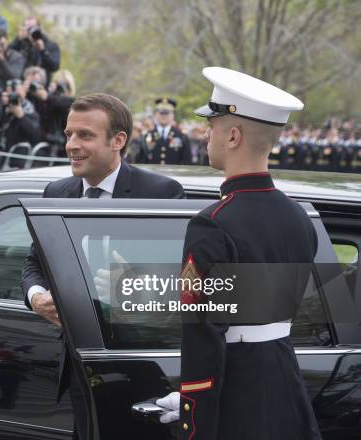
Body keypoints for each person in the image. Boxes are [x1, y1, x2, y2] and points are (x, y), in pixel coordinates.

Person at [156, 67, 321, 440]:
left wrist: (192, 418)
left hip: (236, 398)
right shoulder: (299, 217)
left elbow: (203, 339)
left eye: (211, 125)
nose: (205, 133)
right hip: (285, 385)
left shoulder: (212, 224)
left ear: (232, 135)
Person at [21, 93, 185, 440]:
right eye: (68, 134)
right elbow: (34, 263)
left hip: (141, 373)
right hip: (78, 367)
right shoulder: (56, 192)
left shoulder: (160, 194)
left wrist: (132, 286)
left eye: (85, 135)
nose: (71, 145)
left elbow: (179, 286)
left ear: (118, 141)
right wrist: (36, 296)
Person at [10, 16, 61, 85]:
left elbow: (55, 67)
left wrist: (43, 51)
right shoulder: (22, 43)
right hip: (23, 85)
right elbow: (8, 54)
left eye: (33, 27)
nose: (31, 31)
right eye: (28, 28)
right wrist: (18, 39)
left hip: (42, 87)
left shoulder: (50, 45)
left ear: (39, 28)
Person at [141, 97, 191, 164]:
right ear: (156, 114)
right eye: (161, 113)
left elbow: (186, 160)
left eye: (167, 113)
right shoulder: (147, 135)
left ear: (173, 115)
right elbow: (141, 160)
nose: (163, 116)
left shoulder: (181, 135)